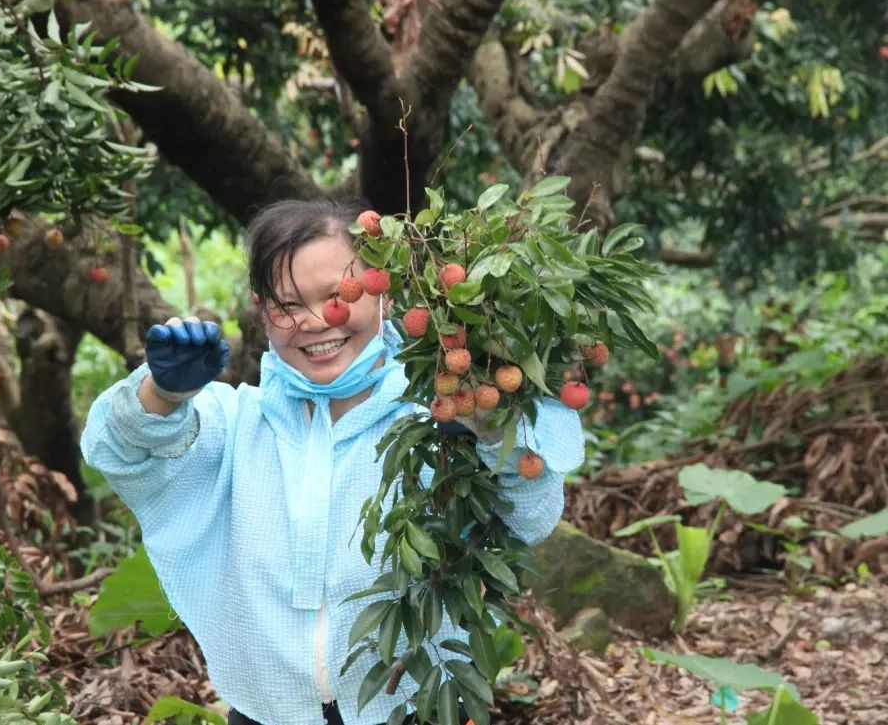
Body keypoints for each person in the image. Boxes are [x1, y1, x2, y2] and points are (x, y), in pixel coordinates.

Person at [80, 199, 586, 725]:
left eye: (341, 295)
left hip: (416, 705)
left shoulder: (436, 416)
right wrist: (162, 392)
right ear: (261, 309)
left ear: (383, 291)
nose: (320, 321)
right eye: (289, 305)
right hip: (264, 713)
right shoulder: (236, 424)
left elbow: (529, 518)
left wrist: (494, 432)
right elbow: (119, 449)